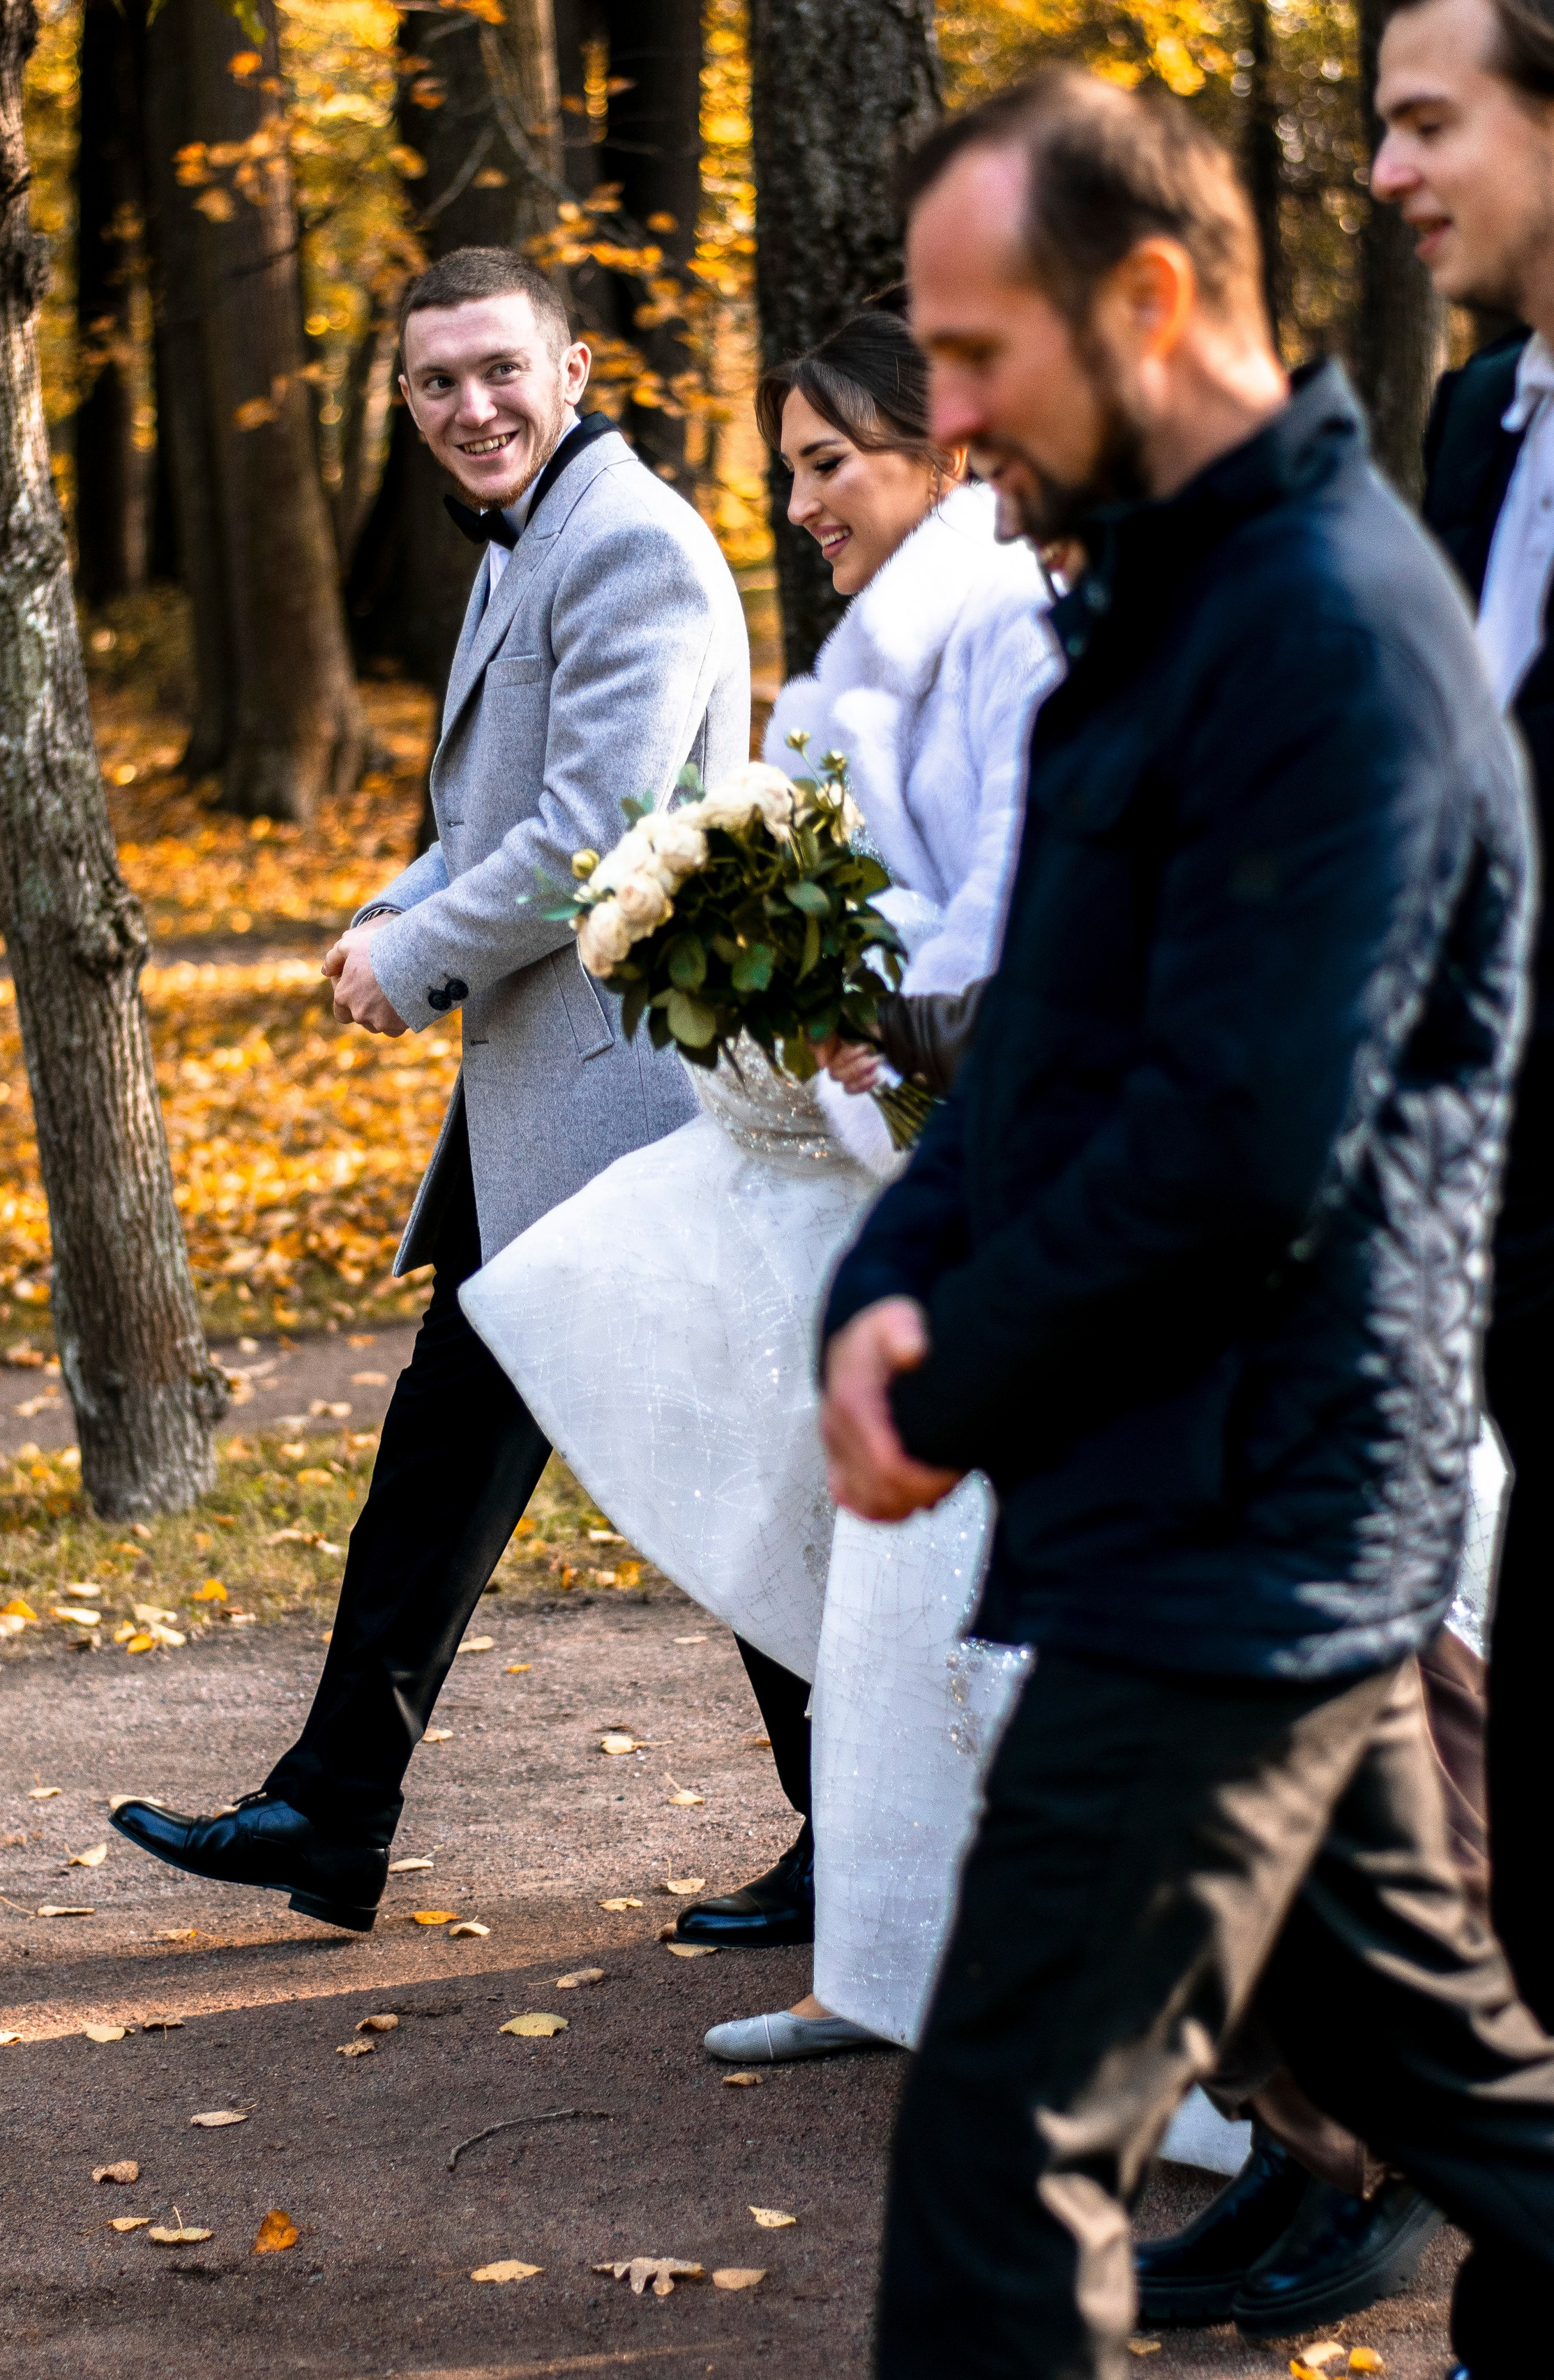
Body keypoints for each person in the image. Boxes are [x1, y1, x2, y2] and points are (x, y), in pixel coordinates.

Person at [819, 68, 1554, 2380]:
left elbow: (1242, 1144)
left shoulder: (1326, 634)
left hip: (1246, 1508)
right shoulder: (1153, 596)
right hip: (1204, 1496)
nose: (948, 412)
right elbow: (1045, 1041)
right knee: (1461, 2075)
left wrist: (953, 1368)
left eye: (980, 355)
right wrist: (883, 1294)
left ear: (1155, 300)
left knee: (1004, 2151)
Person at [110, 247, 750, 1930]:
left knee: (736, 1467)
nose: (470, 407)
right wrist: (399, 901)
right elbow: (500, 821)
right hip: (542, 1108)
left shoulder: (625, 548)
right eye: (433, 383)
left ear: (576, 369)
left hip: (630, 1112)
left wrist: (413, 960)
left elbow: (588, 835)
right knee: (448, 1455)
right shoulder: (530, 541)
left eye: (497, 371)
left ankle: (876, 1837)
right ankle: (330, 1814)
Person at [458, 305, 1055, 2052]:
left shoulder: (1008, 625)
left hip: (983, 1162)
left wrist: (883, 1022)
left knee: (958, 1586)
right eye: (788, 467)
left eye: (825, 463)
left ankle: (1001, 1980)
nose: (796, 500)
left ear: (934, 448)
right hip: (891, 1148)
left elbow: (1004, 896)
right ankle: (876, 1961)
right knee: (875, 1578)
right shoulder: (887, 630)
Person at [1373, 0, 1554, 2107]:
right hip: (1512, 1238)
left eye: (1424, 124)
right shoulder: (1475, 424)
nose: (1387, 172)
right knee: (1549, 1870)